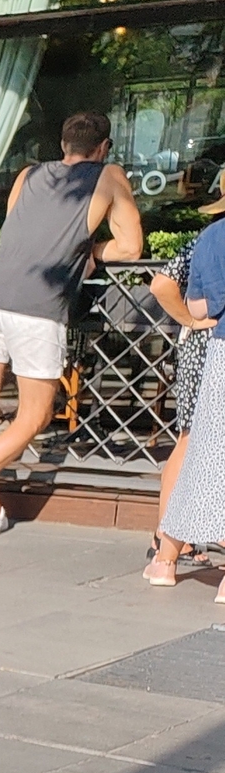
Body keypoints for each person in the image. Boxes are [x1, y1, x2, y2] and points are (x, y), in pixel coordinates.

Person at [0, 110, 144, 537]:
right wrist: (93, 252)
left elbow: (17, 229)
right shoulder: (109, 176)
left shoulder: (28, 175)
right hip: (38, 305)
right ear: (103, 147)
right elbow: (132, 247)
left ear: (64, 144)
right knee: (35, 415)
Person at [149, 213, 225, 592]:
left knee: (191, 444)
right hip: (209, 346)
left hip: (207, 349)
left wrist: (192, 322)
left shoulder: (206, 238)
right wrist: (194, 322)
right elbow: (161, 284)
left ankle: (166, 551)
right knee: (194, 446)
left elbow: (166, 284)